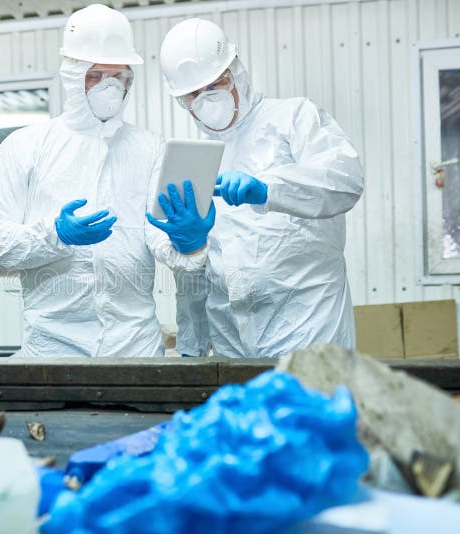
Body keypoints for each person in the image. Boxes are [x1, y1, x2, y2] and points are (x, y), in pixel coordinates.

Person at [0, 4, 199, 357]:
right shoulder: (26, 146)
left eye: (119, 76)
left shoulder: (150, 148)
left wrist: (187, 242)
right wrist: (55, 235)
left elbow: (158, 235)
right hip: (51, 346)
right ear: (73, 76)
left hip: (135, 346)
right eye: (96, 75)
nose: (110, 87)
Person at [150, 18, 364, 359]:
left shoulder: (294, 118)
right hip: (232, 343)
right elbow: (197, 276)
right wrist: (191, 346)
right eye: (194, 94)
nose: (208, 99)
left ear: (237, 72)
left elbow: (345, 181)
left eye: (216, 84)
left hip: (309, 330)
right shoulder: (194, 160)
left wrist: (268, 189)